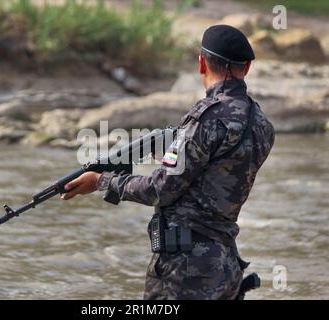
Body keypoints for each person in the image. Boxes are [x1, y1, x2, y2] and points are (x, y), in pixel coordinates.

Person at [60, 25, 275, 300]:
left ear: (201, 63)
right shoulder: (262, 124)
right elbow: (220, 172)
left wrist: (102, 181)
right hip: (225, 265)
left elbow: (160, 189)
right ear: (247, 66)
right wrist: (171, 156)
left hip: (184, 269)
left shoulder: (206, 117)